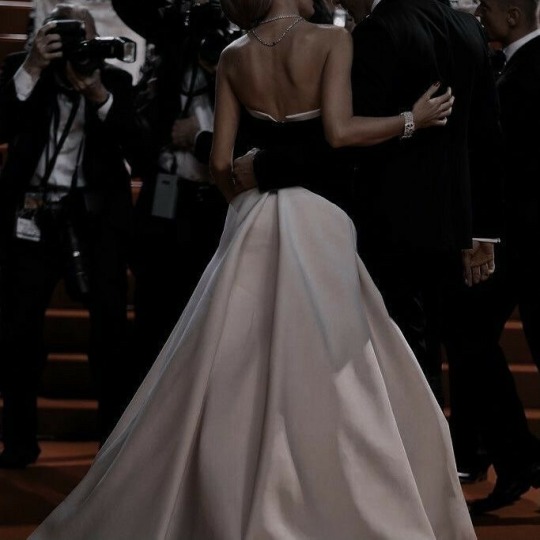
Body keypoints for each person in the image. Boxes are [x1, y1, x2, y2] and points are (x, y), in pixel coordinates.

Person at [28, 0, 475, 537]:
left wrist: (244, 206)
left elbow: (220, 164)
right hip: (319, 221)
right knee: (331, 363)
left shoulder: (233, 56)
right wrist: (410, 121)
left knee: (236, 363)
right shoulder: (332, 40)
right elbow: (339, 134)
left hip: (253, 219)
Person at [234, 0, 504, 407]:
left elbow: (343, 141)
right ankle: (428, 443)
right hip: (450, 232)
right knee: (427, 353)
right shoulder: (467, 27)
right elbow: (487, 139)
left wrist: (264, 167)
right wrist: (483, 230)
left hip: (387, 229)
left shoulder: (379, 30)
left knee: (393, 358)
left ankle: (407, 444)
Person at [0, 3, 139, 466]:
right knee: (18, 333)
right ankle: (19, 444)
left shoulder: (114, 81)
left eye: (86, 39)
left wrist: (98, 95)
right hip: (32, 217)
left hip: (95, 221)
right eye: (68, 39)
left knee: (109, 334)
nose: (78, 50)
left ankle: (112, 449)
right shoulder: (24, 72)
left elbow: (138, 146)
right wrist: (33, 66)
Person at [445, 0, 540, 514]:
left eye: (485, 4)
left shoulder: (529, 70)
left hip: (523, 240)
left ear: (512, 15)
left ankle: (516, 457)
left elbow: (504, 159)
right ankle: (514, 458)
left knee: (469, 336)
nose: (477, 11)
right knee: (469, 336)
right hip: (516, 240)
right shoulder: (512, 65)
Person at [110, 0, 234, 386]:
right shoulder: (168, 48)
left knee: (209, 323)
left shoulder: (241, 51)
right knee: (152, 321)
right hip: (165, 201)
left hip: (214, 204)